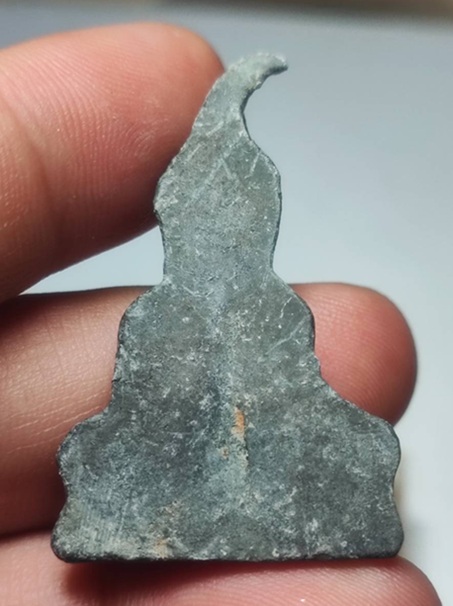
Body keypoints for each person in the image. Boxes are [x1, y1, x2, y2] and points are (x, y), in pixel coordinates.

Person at [0, 22, 440, 605]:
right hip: (174, 470)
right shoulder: (155, 314)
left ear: (262, 223)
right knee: (85, 450)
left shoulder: (278, 307)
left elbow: (296, 397)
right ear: (178, 226)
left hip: (267, 465)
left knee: (370, 446)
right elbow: (149, 412)